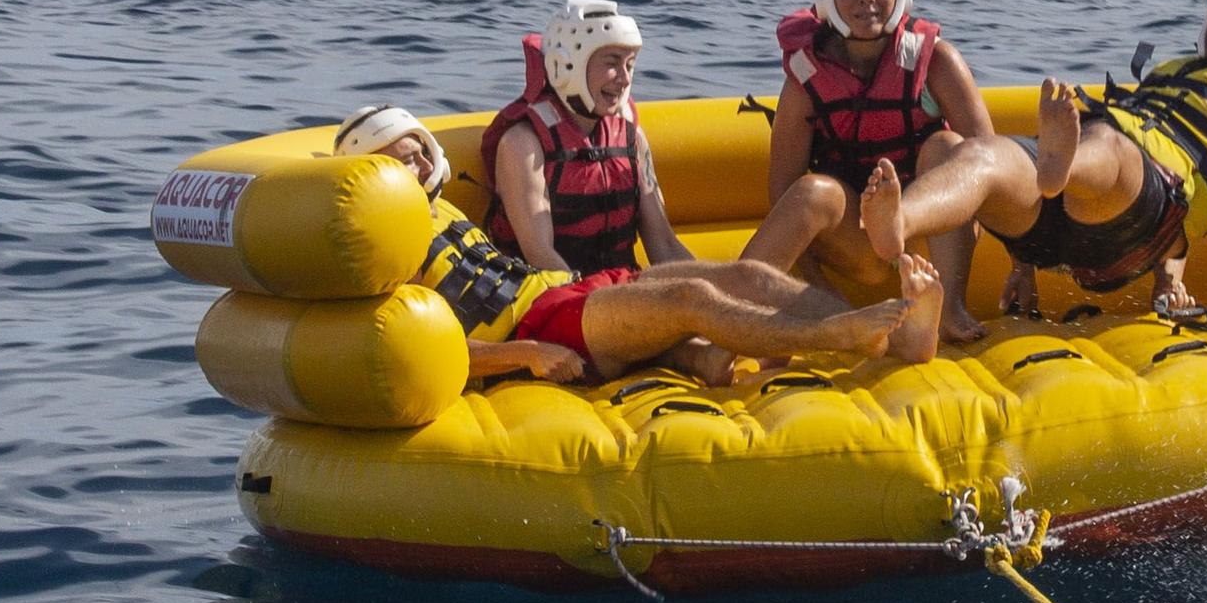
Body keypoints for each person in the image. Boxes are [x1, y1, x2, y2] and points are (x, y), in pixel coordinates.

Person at [332, 105, 943, 384]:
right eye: (394, 163)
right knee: (691, 298)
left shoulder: (440, 212)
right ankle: (837, 337)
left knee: (747, 278)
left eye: (417, 153)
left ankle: (895, 335)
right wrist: (525, 356)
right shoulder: (385, 249)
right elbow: (421, 344)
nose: (413, 168)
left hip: (564, 296)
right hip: (535, 329)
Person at [857, 0, 1207, 317]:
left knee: (1111, 142)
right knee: (969, 151)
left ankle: (1062, 166)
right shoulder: (1174, 72)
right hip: (1063, 225)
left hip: (1142, 221)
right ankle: (900, 223)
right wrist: (1022, 267)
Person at [740, 0, 996, 342]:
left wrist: (1023, 266)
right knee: (809, 192)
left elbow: (996, 166)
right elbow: (781, 193)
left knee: (948, 147)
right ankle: (728, 328)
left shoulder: (937, 63)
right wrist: (811, 281)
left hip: (927, 240)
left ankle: (948, 307)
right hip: (860, 247)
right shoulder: (807, 78)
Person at [479, 0, 685, 277]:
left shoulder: (631, 138)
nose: (624, 78)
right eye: (612, 62)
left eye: (630, 65)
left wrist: (720, 288)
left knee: (746, 279)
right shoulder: (523, 143)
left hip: (621, 296)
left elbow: (664, 246)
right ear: (567, 63)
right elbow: (540, 255)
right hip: (553, 299)